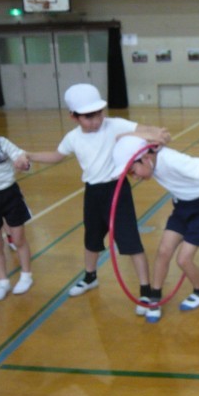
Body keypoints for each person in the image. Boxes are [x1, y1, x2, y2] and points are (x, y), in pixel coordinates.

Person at [26, 84, 170, 314]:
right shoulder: (72, 138)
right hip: (93, 193)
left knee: (130, 241)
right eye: (88, 117)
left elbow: (146, 129)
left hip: (117, 191)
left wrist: (157, 134)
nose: (96, 121)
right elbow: (56, 155)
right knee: (91, 238)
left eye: (98, 114)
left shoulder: (115, 125)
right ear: (73, 117)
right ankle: (90, 276)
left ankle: (144, 290)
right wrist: (30, 155)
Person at [111, 135, 199, 323]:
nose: (135, 177)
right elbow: (123, 136)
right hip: (182, 207)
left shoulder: (171, 159)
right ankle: (155, 297)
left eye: (133, 171)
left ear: (145, 158)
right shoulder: (150, 160)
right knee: (163, 251)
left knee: (183, 259)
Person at [0, 111, 34, 301]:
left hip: (10, 195)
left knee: (18, 239)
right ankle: (3, 282)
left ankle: (26, 275)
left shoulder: (1, 143)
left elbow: (20, 156)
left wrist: (23, 163)